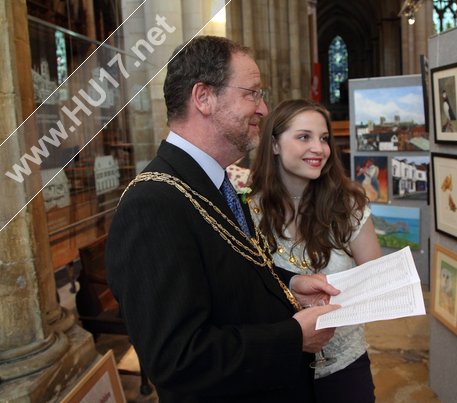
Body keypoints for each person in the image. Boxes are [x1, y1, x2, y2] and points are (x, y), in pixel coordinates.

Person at [105, 36, 340, 402]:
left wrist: (290, 284)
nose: (263, 109)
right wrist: (293, 338)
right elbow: (176, 361)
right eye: (252, 94)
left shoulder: (215, 180)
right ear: (203, 97)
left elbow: (226, 274)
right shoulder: (152, 204)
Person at [248, 99, 382, 402]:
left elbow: (374, 279)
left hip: (344, 367)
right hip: (280, 370)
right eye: (304, 137)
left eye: (324, 139)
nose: (319, 148)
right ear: (274, 145)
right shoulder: (249, 213)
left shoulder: (347, 205)